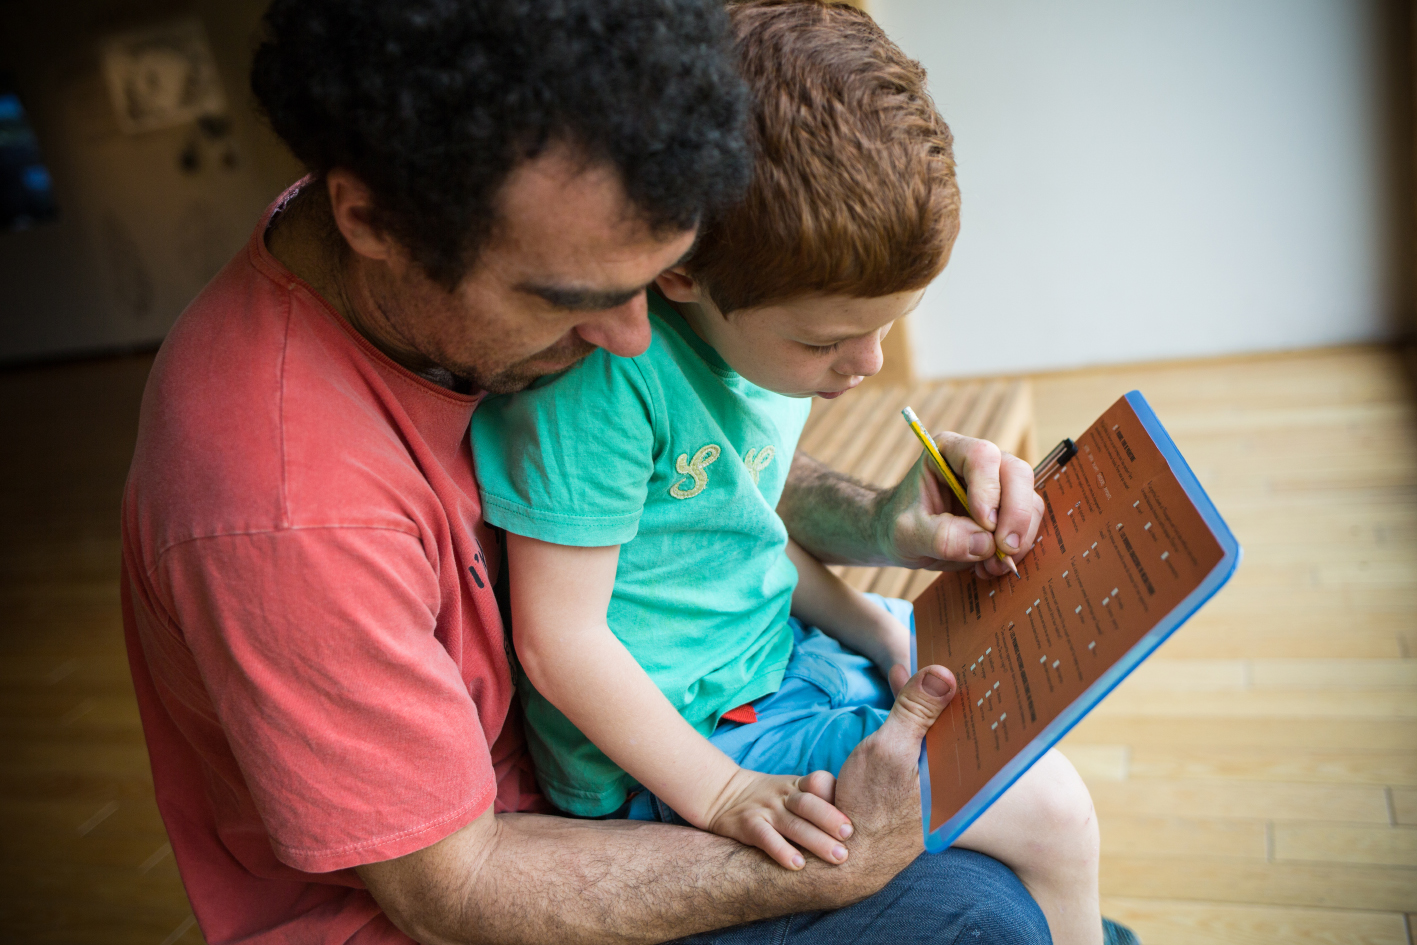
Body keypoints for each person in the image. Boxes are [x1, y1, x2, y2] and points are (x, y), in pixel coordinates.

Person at [120, 0, 1058, 942]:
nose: (629, 339)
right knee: (984, 914)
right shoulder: (285, 511)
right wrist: (830, 855)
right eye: (573, 300)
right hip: (487, 888)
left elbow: (684, 481)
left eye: (647, 281)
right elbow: (456, 890)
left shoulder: (482, 192)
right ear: (374, 219)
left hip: (651, 752)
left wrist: (875, 519)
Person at [470, 5, 1113, 945]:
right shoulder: (598, 392)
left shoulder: (754, 339)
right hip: (686, 750)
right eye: (825, 339)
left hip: (773, 659)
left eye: (887, 324)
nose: (863, 364)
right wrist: (722, 790)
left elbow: (743, 536)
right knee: (1050, 810)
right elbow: (557, 642)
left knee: (1000, 685)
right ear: (682, 273)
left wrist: (869, 625)